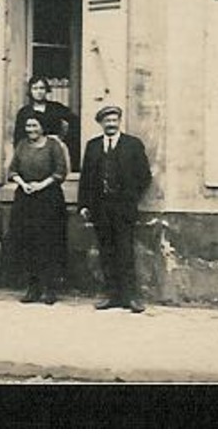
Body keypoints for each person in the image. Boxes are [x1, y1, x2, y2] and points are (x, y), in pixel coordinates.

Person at [78, 105, 152, 313]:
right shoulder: (92, 146)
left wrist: (130, 197)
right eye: (106, 121)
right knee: (106, 251)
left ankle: (130, 297)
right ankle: (111, 295)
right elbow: (86, 178)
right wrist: (84, 204)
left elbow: (144, 176)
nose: (111, 124)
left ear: (119, 122)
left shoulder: (133, 145)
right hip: (100, 207)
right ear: (101, 123)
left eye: (114, 120)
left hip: (123, 208)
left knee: (125, 251)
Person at [7, 113, 70, 305]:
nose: (31, 130)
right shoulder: (22, 145)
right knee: (29, 242)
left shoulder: (54, 145)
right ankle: (33, 288)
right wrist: (23, 184)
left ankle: (49, 289)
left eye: (35, 126)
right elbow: (12, 170)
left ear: (43, 127)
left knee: (48, 243)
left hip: (48, 199)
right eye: (28, 126)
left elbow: (60, 171)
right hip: (26, 200)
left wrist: (40, 185)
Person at [12, 77, 77, 166]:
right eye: (35, 88)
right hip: (32, 151)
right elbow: (18, 136)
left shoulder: (57, 108)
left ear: (47, 90)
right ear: (30, 91)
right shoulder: (24, 112)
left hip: (53, 150)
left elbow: (75, 122)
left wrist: (62, 138)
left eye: (42, 88)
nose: (39, 92)